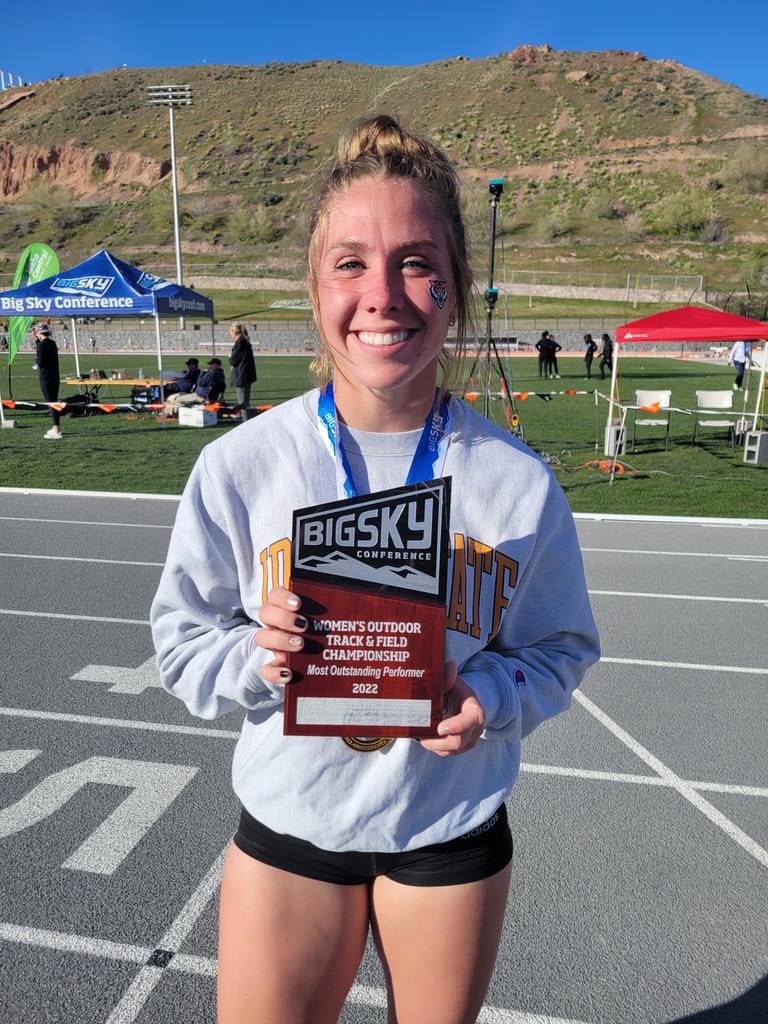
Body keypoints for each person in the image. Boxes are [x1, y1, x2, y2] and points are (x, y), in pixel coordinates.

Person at [150, 114, 600, 1024]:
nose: (384, 294)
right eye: (351, 263)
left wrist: (496, 699)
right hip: (293, 823)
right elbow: (182, 643)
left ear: (457, 288)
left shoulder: (516, 483)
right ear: (316, 288)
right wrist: (258, 657)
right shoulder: (242, 466)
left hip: (447, 829)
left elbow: (562, 647)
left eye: (417, 262)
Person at [33, 323, 63, 440]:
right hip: (55, 376)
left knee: (51, 403)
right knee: (54, 401)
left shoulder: (41, 346)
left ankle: (57, 429)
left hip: (46, 378)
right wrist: (37, 342)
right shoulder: (52, 343)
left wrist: (36, 360)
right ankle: (55, 426)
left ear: (39, 333)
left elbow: (40, 363)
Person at [228, 323, 257, 416]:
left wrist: (230, 357)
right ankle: (246, 421)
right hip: (244, 375)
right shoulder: (244, 341)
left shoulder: (240, 343)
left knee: (243, 404)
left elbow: (233, 360)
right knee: (245, 404)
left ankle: (246, 423)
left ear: (234, 332)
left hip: (242, 376)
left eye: (230, 332)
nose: (230, 334)